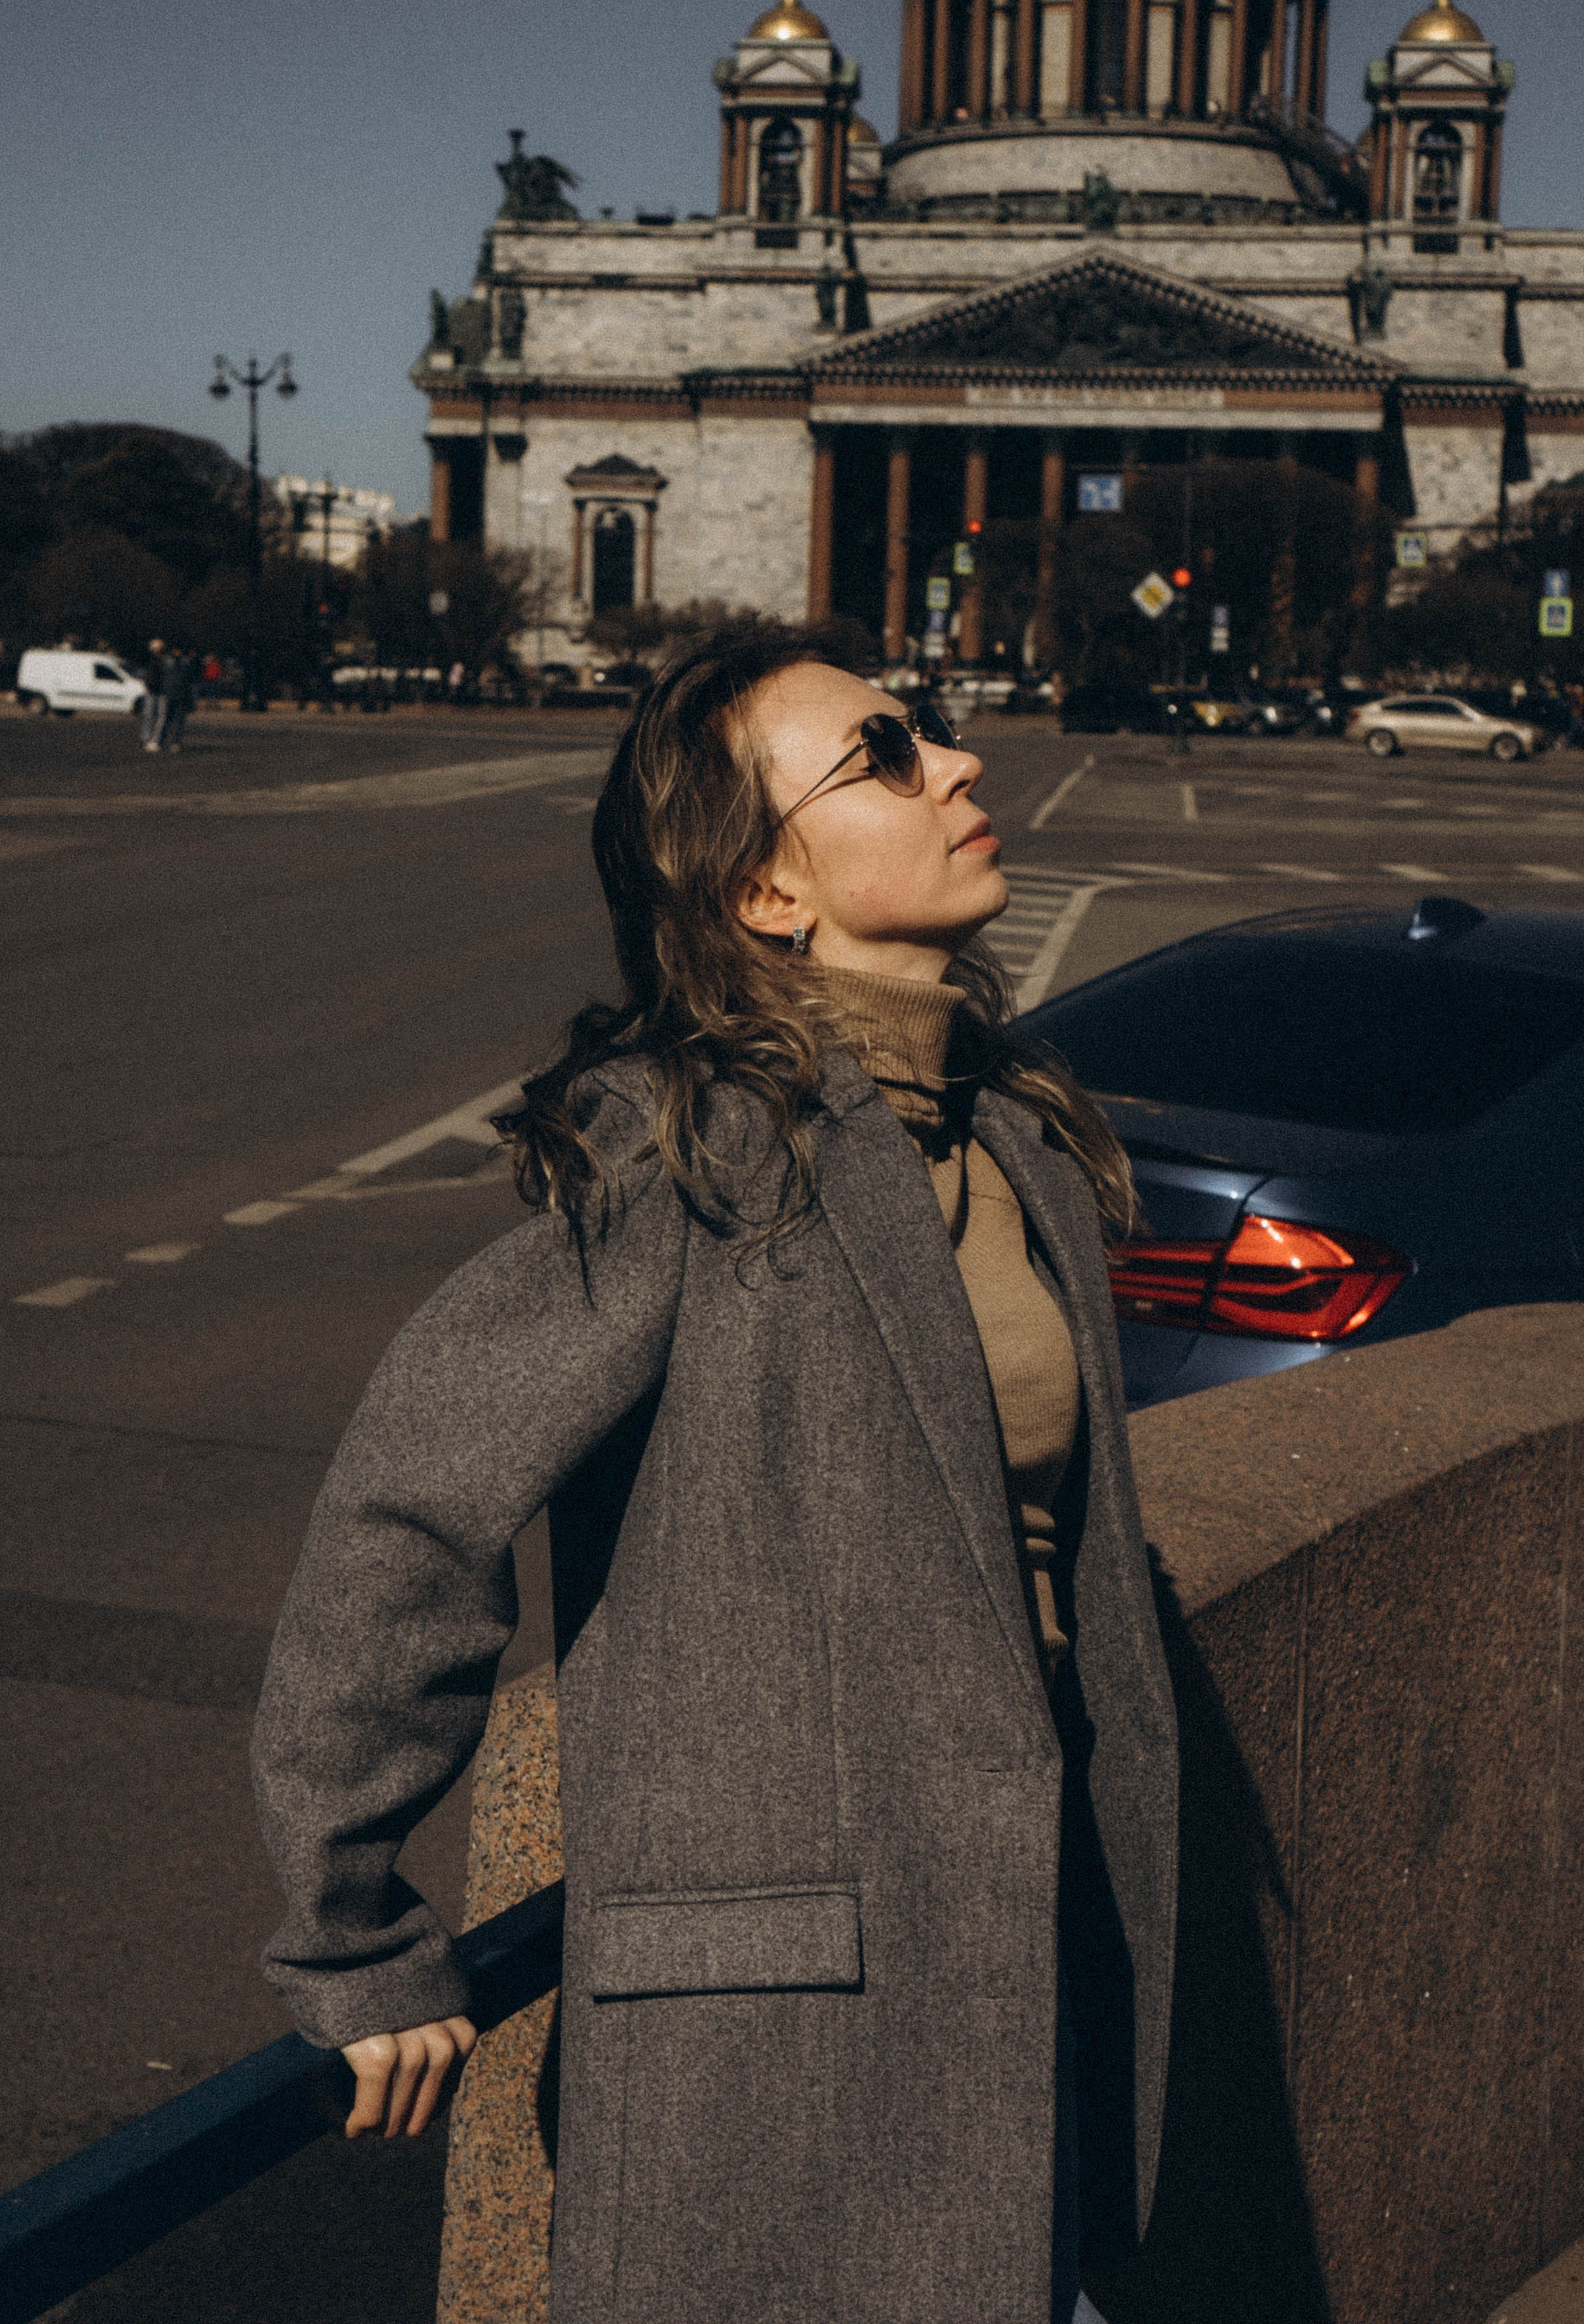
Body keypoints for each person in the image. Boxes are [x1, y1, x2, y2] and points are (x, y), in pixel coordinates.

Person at [252, 632, 1178, 2324]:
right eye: (885, 753)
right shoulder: (690, 1142)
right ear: (764, 886)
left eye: (932, 736)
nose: (958, 765)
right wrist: (350, 1925)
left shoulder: (1011, 1141)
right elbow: (411, 1504)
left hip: (1030, 1955)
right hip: (785, 2020)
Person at [160, 647, 196, 751]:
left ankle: (176, 742)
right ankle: (162, 740)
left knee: (179, 720)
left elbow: (189, 680)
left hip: (181, 695)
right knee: (166, 719)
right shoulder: (168, 662)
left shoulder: (184, 663)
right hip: (170, 693)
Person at [140, 641, 168, 751]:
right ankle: (146, 739)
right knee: (149, 715)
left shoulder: (164, 661)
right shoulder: (150, 661)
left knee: (159, 717)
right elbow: (147, 675)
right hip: (152, 691)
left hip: (160, 691)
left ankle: (155, 740)